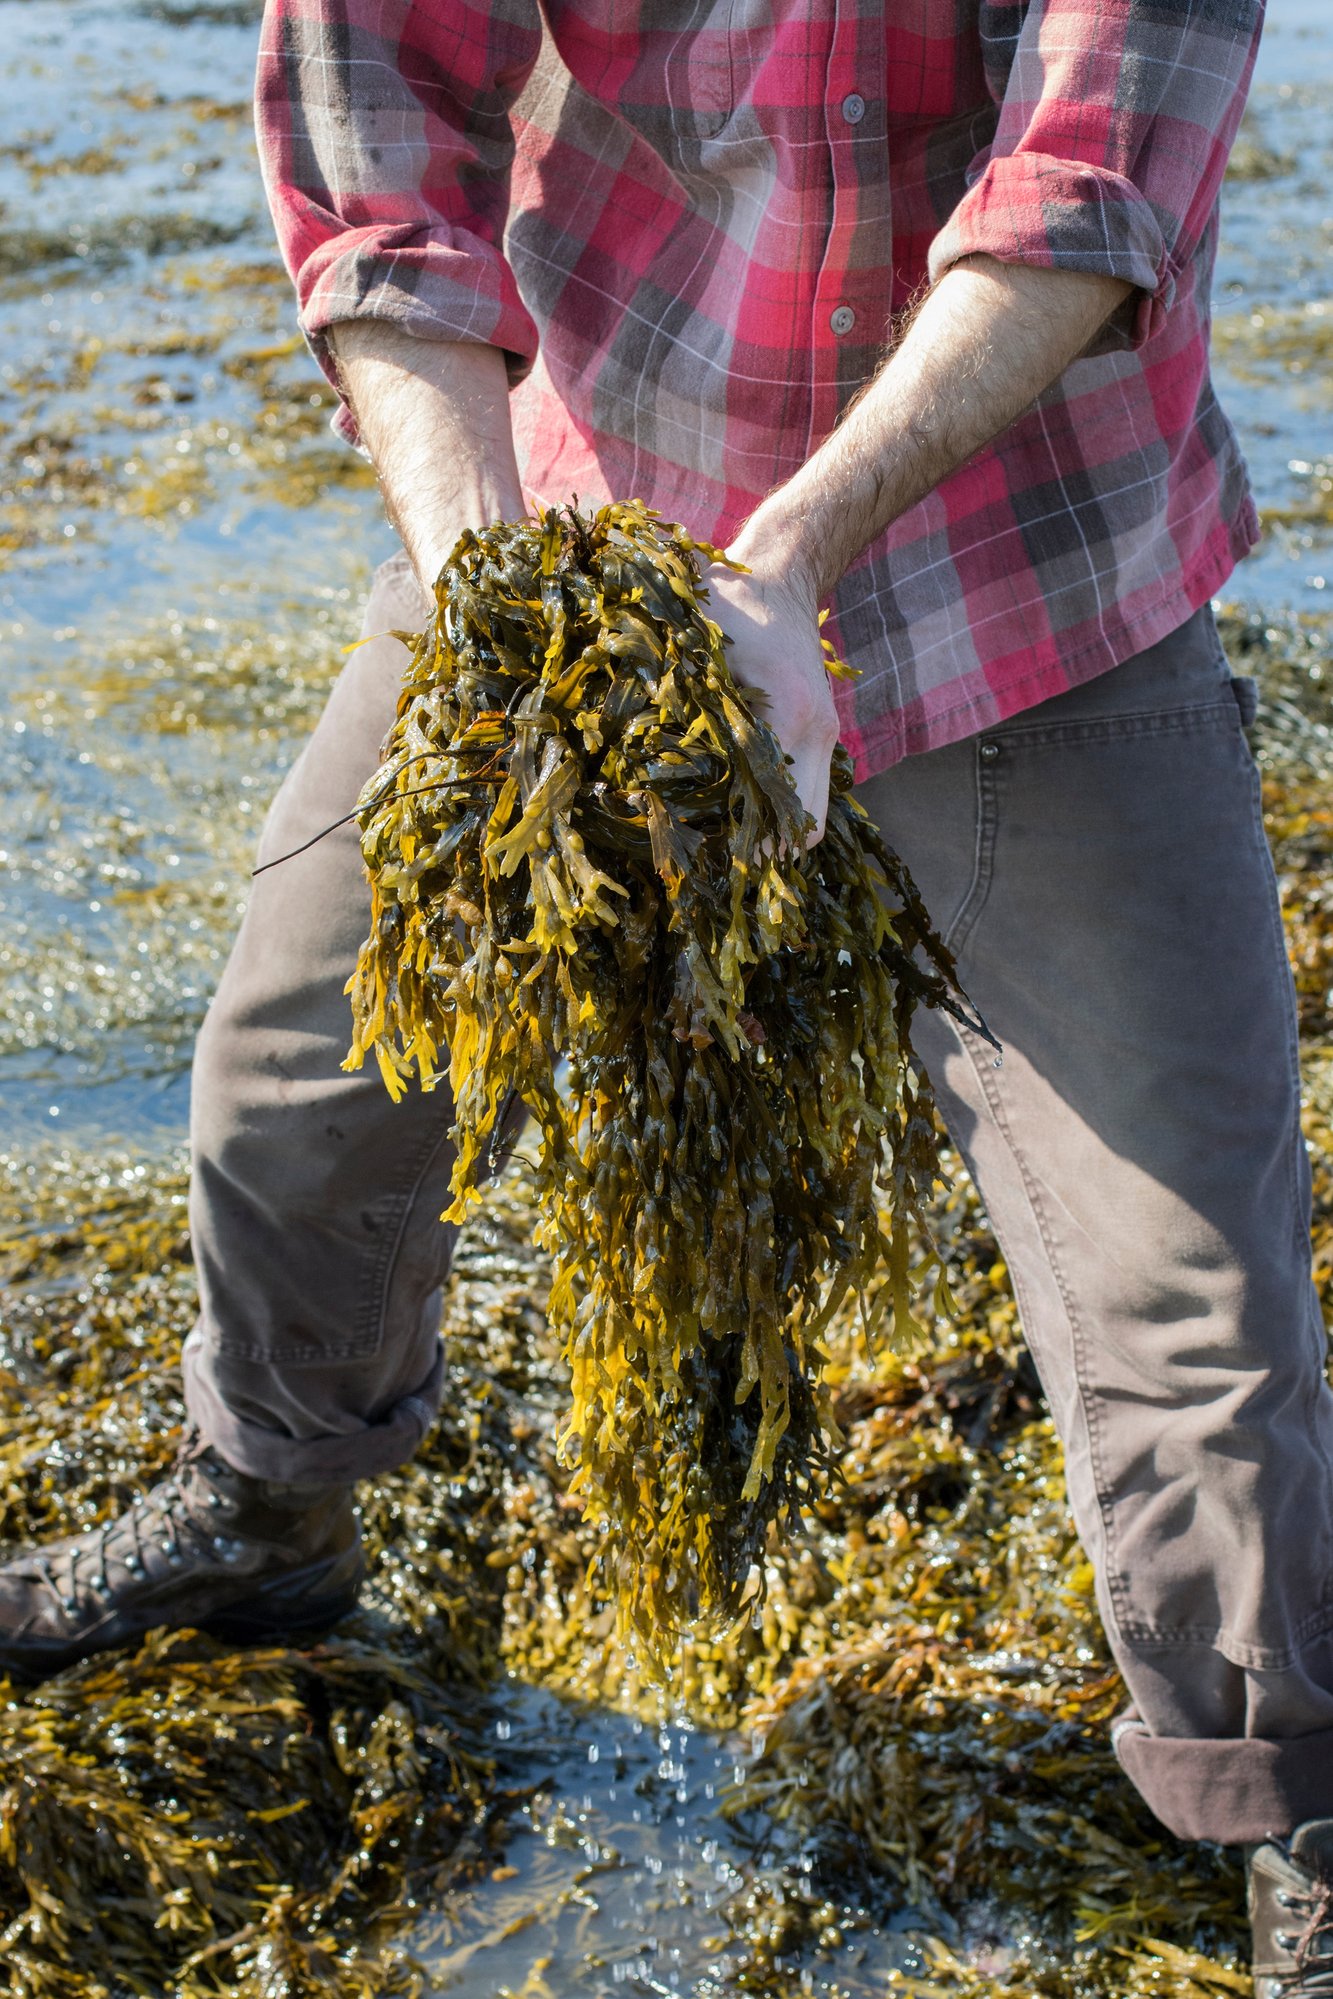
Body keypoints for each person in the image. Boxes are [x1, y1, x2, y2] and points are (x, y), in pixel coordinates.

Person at [1, 0, 1327, 1984]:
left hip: (1027, 573)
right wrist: (490, 603)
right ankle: (268, 1505)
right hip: (582, 520)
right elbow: (372, 137)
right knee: (295, 1074)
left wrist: (788, 565)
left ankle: (1278, 1789)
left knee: (1193, 1312)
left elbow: (1087, 176)